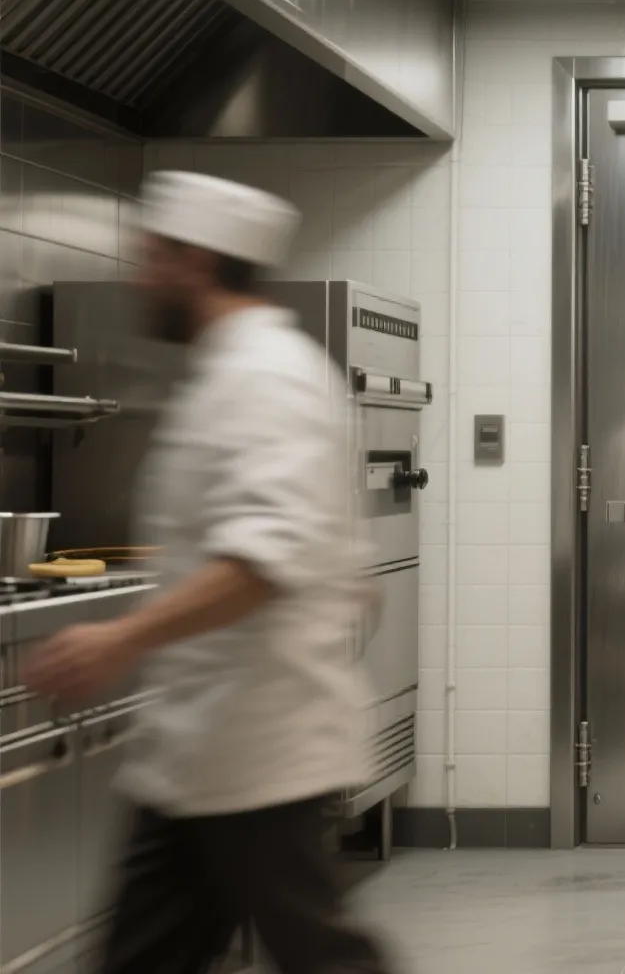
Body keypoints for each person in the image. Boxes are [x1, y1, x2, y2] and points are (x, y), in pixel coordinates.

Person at [23, 172, 393, 974]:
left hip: (261, 741)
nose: (137, 278)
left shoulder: (267, 376)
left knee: (321, 956)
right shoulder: (234, 370)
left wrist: (119, 640)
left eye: (149, 257)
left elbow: (260, 561)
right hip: (205, 745)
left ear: (193, 260)